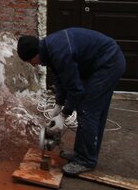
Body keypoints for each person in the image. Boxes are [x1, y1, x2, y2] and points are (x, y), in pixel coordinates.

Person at [17, 28, 126, 177]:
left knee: (88, 110)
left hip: (108, 64)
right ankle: (81, 154)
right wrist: (58, 104)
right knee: (87, 109)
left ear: (35, 54)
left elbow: (75, 89)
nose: (33, 65)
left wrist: (64, 115)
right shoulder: (49, 49)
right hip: (98, 64)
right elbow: (61, 79)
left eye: (30, 61)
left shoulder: (60, 53)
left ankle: (86, 160)